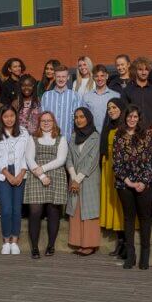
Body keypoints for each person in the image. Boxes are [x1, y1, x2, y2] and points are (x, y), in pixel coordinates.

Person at [113, 105, 152, 270]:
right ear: (125, 118)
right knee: (129, 218)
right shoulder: (119, 135)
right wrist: (128, 181)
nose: (132, 120)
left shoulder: (147, 135)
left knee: (145, 218)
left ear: (139, 119)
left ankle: (145, 256)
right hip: (124, 183)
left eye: (135, 117)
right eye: (129, 116)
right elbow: (116, 163)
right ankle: (130, 256)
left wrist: (143, 182)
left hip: (145, 183)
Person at [24, 111, 68, 259]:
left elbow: (61, 159)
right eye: (43, 120)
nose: (46, 123)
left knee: (53, 212)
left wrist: (43, 169)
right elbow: (29, 159)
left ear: (54, 122)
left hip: (55, 175)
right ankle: (35, 248)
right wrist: (41, 175)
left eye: (49, 120)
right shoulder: (33, 138)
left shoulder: (61, 138)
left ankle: (51, 245)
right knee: (35, 212)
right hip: (36, 176)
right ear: (39, 122)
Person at [0, 105, 29, 255]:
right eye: (6, 116)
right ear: (2, 118)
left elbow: (28, 154)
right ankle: (6, 241)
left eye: (11, 116)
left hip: (20, 172)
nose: (9, 119)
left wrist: (20, 174)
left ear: (16, 117)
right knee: (6, 209)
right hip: (3, 174)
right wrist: (8, 175)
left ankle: (15, 241)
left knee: (16, 209)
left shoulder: (24, 133)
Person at [66, 107, 102, 256]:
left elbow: (92, 160)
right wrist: (74, 178)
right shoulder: (73, 136)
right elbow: (69, 159)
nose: (79, 120)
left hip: (89, 178)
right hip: (75, 178)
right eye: (76, 117)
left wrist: (78, 179)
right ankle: (79, 242)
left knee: (89, 211)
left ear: (88, 118)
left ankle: (90, 244)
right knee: (77, 209)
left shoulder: (95, 136)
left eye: (82, 117)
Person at [99, 98, 128, 258]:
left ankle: (125, 242)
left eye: (114, 107)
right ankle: (119, 241)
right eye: (109, 108)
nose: (111, 110)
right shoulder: (108, 126)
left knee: (122, 204)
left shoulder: (126, 127)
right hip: (108, 168)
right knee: (113, 204)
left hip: (121, 169)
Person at [121, 57, 152, 134]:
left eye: (146, 69)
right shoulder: (127, 91)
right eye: (140, 69)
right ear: (135, 71)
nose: (144, 72)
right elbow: (125, 114)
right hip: (133, 135)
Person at [41, 65, 83, 139]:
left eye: (63, 77)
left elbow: (78, 119)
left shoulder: (75, 96)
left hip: (68, 139)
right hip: (50, 138)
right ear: (54, 77)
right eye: (58, 77)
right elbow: (42, 118)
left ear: (68, 77)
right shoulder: (46, 96)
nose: (61, 79)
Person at [82, 64, 120, 131]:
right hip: (93, 136)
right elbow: (84, 118)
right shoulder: (86, 97)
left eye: (102, 76)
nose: (99, 79)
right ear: (93, 77)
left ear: (107, 76)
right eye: (96, 76)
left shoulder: (116, 96)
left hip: (111, 134)